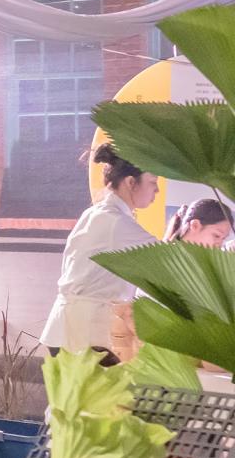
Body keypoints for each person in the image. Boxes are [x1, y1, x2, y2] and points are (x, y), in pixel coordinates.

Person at [44, 144, 159, 363]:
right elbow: (169, 262)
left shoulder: (98, 213)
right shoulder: (116, 222)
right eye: (153, 182)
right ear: (131, 182)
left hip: (69, 328)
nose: (157, 191)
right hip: (85, 333)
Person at [165, 197, 231, 247]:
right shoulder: (165, 258)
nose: (219, 244)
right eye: (217, 236)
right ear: (195, 225)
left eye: (224, 238)